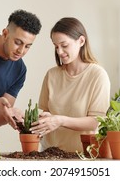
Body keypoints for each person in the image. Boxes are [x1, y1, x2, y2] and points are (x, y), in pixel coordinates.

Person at [30, 17, 110, 152]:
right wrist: (44, 119)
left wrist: (60, 120)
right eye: (56, 46)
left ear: (81, 41)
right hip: (49, 154)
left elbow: (96, 121)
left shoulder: (97, 75)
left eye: (64, 45)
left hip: (82, 157)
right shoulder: (52, 75)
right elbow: (46, 113)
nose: (59, 52)